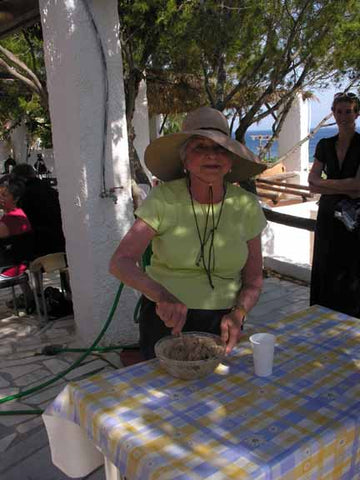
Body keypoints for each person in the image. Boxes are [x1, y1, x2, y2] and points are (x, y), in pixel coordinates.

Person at [110, 106, 267, 359]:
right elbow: (120, 262)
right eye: (200, 147)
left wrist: (239, 313)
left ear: (230, 161)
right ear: (185, 160)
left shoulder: (246, 205)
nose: (211, 156)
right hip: (166, 319)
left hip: (224, 320)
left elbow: (253, 280)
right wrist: (161, 296)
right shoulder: (163, 199)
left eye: (219, 148)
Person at [308, 92, 360, 318]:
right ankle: (322, 316)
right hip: (328, 217)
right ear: (333, 113)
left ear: (357, 114)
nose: (343, 116)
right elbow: (312, 183)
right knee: (325, 265)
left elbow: (359, 185)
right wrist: (348, 187)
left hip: (354, 219)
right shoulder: (324, 144)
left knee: (352, 269)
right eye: (338, 111)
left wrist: (326, 184)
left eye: (348, 111)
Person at [10, 163, 66, 257]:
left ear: (20, 180)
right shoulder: (50, 190)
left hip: (41, 248)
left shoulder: (26, 196)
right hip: (60, 243)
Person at [0, 175, 34, 308]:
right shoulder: (16, 214)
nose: (0, 198)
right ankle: (29, 298)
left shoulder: (13, 218)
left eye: (4, 195)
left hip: (11, 268)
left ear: (16, 198)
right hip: (14, 264)